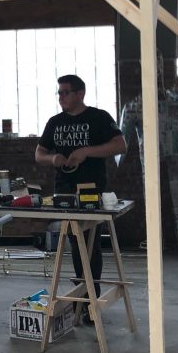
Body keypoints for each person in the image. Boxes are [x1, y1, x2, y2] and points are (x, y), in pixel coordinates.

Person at [36, 74, 127, 285]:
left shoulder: (99, 117)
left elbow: (120, 145)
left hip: (91, 189)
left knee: (89, 242)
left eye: (65, 93)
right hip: (64, 190)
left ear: (80, 93)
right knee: (76, 241)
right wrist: (53, 158)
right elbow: (39, 153)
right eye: (59, 93)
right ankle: (83, 294)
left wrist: (87, 151)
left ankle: (89, 295)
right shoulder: (55, 122)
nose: (61, 98)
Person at [119, 59, 178, 251]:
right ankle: (156, 237)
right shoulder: (135, 105)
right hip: (150, 153)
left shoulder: (177, 102)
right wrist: (118, 157)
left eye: (159, 65)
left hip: (173, 151)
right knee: (153, 192)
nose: (157, 71)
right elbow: (122, 140)